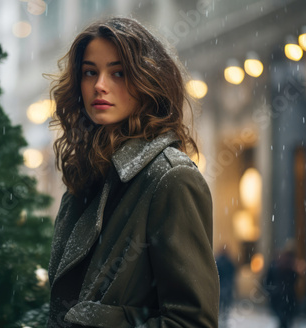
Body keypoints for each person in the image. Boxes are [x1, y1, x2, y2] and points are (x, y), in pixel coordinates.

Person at [45, 16, 219, 328]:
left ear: (147, 81)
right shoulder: (85, 177)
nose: (100, 85)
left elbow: (192, 322)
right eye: (90, 72)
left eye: (118, 73)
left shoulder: (172, 178)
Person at [264, 241, 302, 328]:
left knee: (283, 321)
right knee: (285, 321)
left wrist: (271, 292)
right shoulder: (291, 265)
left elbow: (268, 280)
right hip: (287, 296)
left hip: (280, 296)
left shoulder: (278, 263)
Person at [215, 248, 236, 327]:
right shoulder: (229, 262)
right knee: (225, 308)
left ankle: (220, 322)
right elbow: (233, 275)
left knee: (220, 308)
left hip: (221, 288)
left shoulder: (218, 262)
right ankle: (223, 322)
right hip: (227, 289)